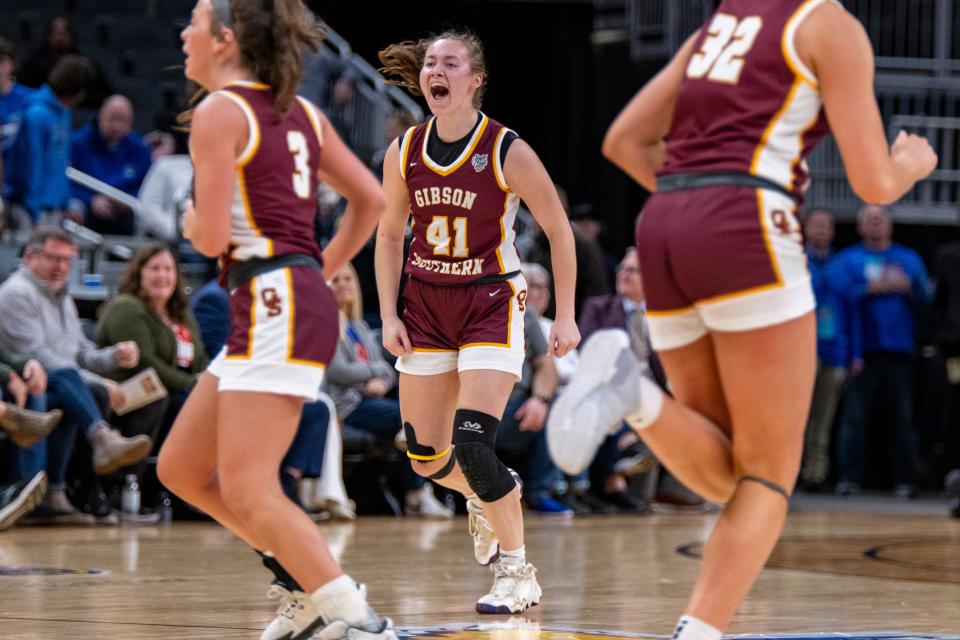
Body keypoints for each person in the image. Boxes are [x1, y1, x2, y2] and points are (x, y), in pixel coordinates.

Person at [552, 1, 938, 638]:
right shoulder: (828, 24)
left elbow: (622, 142)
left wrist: (699, 207)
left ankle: (633, 392)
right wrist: (914, 165)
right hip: (748, 219)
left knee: (727, 469)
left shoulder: (720, 24)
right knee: (770, 476)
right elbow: (874, 180)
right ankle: (701, 627)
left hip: (665, 222)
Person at [154, 3, 392, 640]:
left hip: (273, 298)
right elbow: (370, 199)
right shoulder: (304, 113)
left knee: (250, 486)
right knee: (180, 468)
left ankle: (358, 620)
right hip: (277, 295)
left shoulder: (218, 111)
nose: (184, 32)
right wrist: (320, 268)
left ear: (226, 39)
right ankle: (303, 584)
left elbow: (205, 240)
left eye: (196, 20)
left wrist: (188, 223)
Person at [377, 29, 580, 613]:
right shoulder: (405, 151)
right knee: (427, 457)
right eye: (431, 63)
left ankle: (516, 573)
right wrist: (389, 312)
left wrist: (565, 315)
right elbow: (390, 234)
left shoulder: (506, 149)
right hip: (425, 304)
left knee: (473, 440)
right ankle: (494, 494)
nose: (436, 70)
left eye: (451, 63)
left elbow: (559, 230)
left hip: (490, 301)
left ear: (475, 79)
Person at [0, 227, 152, 522]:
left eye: (68, 261)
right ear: (29, 256)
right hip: (30, 380)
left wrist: (112, 355)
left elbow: (81, 352)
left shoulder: (63, 297)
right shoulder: (16, 293)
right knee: (67, 387)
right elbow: (38, 356)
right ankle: (98, 443)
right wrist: (95, 380)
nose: (62, 268)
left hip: (54, 379)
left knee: (77, 392)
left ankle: (57, 492)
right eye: (54, 259)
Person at [325, 264, 453, 518]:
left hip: (366, 400)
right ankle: (416, 495)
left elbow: (387, 369)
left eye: (348, 278)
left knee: (411, 418)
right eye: (335, 280)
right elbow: (338, 370)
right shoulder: (324, 323)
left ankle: (418, 492)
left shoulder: (358, 326)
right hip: (344, 405)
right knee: (407, 420)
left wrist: (380, 379)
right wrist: (373, 373)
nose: (343, 284)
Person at [94, 244, 210, 511]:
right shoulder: (126, 307)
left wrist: (207, 379)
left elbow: (199, 358)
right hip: (126, 393)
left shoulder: (180, 312)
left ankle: (197, 489)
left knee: (205, 404)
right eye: (154, 269)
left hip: (173, 391)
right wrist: (195, 385)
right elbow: (146, 363)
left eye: (168, 269)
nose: (162, 276)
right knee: (184, 405)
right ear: (139, 273)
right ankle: (152, 488)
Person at [832, 205, 929, 499]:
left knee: (902, 419)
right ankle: (848, 479)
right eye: (870, 220)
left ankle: (907, 481)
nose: (876, 225)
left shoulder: (908, 259)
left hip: (899, 351)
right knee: (855, 418)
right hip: (862, 352)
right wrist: (867, 288)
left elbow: (926, 300)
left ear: (890, 225)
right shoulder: (848, 260)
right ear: (860, 227)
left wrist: (907, 288)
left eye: (880, 219)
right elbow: (837, 297)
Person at [801, 209, 855, 491]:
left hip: (834, 352)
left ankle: (815, 474)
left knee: (823, 419)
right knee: (795, 418)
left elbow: (851, 313)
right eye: (817, 224)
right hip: (801, 353)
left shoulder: (842, 265)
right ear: (805, 228)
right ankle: (787, 474)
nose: (823, 230)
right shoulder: (796, 262)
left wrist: (853, 353)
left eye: (828, 225)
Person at [4, 55, 91, 227]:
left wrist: (66, 202)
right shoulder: (36, 115)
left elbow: (62, 161)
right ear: (79, 92)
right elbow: (30, 165)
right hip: (29, 209)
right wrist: (33, 213)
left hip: (53, 208)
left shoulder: (64, 113)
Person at [70, 95, 153, 236]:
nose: (117, 126)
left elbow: (148, 186)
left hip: (125, 212)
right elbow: (66, 181)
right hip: (88, 210)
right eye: (113, 119)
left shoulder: (140, 149)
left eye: (123, 120)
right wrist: (90, 200)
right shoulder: (77, 143)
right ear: (100, 116)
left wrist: (128, 202)